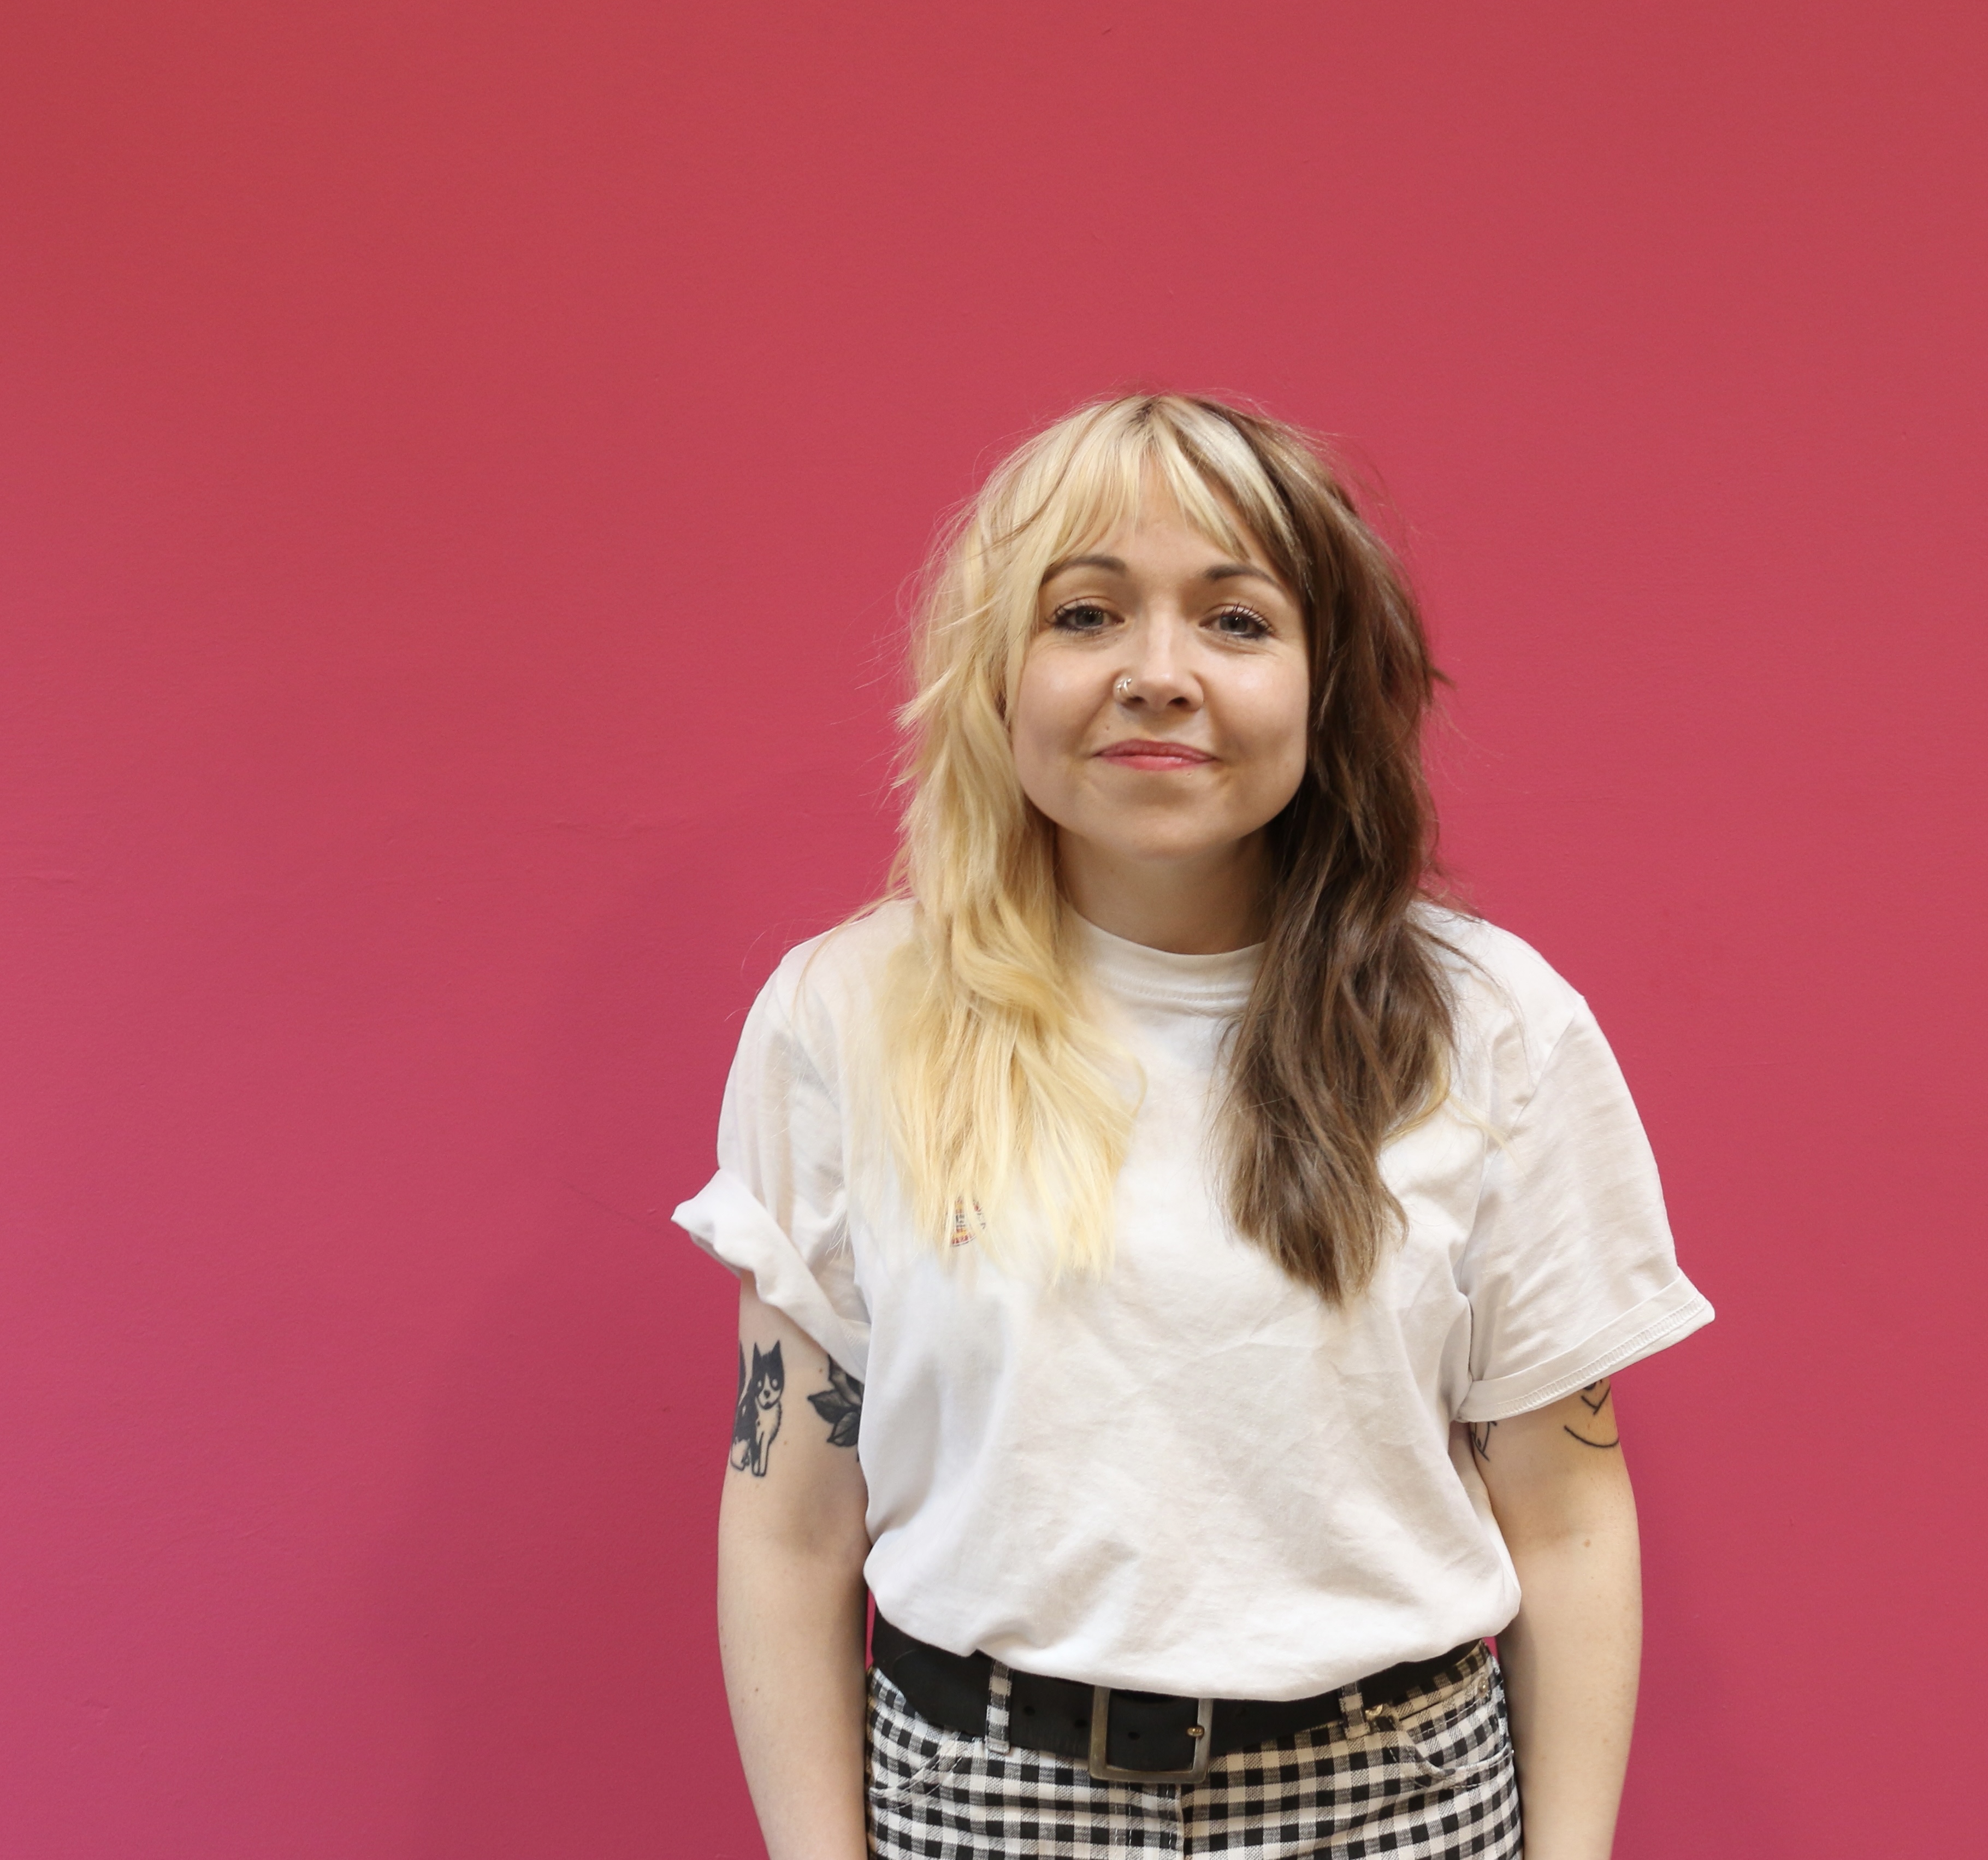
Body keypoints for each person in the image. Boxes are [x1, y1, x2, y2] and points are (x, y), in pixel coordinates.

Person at [673, 393, 1713, 1859]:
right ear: (996, 672)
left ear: (1325, 681)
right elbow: (789, 1530)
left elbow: (1568, 1515)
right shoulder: (849, 1017)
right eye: (1086, 614)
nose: (1158, 677)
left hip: (1396, 1806)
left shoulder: (1489, 1024)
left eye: (1235, 622)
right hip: (979, 1802)